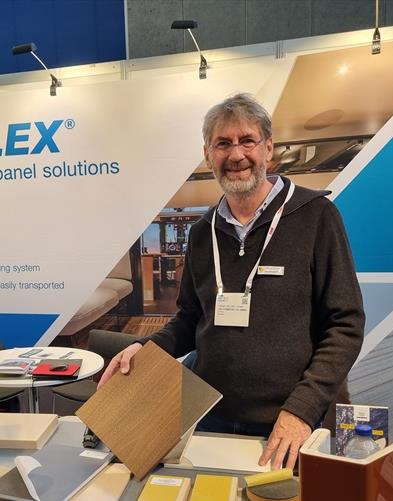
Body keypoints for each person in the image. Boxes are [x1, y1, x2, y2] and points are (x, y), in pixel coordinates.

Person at [99, 94, 365, 470]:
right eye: (223, 143)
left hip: (292, 422)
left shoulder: (316, 216)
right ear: (208, 154)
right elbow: (190, 320)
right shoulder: (202, 232)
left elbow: (345, 325)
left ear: (268, 148)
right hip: (213, 413)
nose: (236, 154)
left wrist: (302, 410)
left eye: (247, 140)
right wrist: (146, 348)